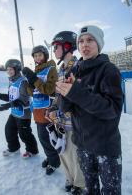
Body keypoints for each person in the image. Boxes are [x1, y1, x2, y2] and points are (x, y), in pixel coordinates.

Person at [56, 25, 124, 194]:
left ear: (98, 44)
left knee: (110, 191)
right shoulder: (74, 70)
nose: (84, 45)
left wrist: (77, 93)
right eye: (81, 41)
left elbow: (113, 109)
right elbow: (64, 107)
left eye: (90, 40)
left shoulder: (108, 70)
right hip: (82, 144)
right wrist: (66, 94)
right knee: (90, 189)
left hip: (105, 147)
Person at [45, 31, 85, 195]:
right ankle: (70, 179)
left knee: (74, 156)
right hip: (61, 122)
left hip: (73, 122)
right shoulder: (61, 69)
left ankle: (80, 184)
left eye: (56, 46)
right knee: (63, 153)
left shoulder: (78, 68)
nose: (53, 50)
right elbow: (59, 96)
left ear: (67, 46)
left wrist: (57, 115)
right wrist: (51, 109)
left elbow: (75, 101)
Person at [0, 59, 39, 159]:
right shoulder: (12, 82)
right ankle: (14, 148)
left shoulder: (22, 82)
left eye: (11, 69)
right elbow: (10, 97)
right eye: (7, 69)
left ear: (17, 70)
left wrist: (8, 105)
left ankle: (32, 150)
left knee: (24, 133)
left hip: (24, 113)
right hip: (14, 112)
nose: (9, 71)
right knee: (9, 130)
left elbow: (24, 99)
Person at [22, 45, 60, 175]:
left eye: (40, 55)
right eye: (35, 56)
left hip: (47, 110)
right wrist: (30, 84)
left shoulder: (51, 69)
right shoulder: (36, 72)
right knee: (43, 137)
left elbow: (50, 89)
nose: (37, 58)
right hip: (37, 110)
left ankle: (55, 161)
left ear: (45, 56)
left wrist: (34, 79)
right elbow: (33, 93)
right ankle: (51, 157)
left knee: (47, 138)